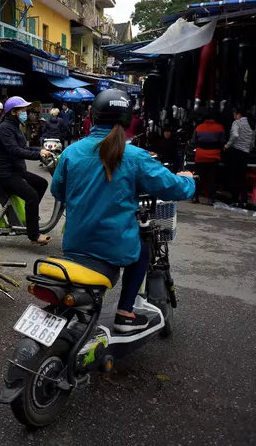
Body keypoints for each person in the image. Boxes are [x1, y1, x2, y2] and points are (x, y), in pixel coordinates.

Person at [51, 89, 195, 332]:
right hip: (113, 247)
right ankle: (125, 312)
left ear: (92, 116)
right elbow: (173, 188)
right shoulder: (135, 156)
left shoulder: (71, 152)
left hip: (74, 243)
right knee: (143, 250)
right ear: (128, 119)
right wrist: (189, 179)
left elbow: (58, 192)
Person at [0, 96, 51, 245]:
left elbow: (24, 148)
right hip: (6, 173)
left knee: (41, 183)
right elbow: (14, 150)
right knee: (31, 195)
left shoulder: (15, 127)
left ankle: (30, 216)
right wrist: (38, 155)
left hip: (17, 170)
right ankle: (34, 235)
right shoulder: (5, 128)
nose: (25, 113)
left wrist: (41, 150)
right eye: (23, 110)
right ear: (14, 112)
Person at [191, 111, 226, 204]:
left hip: (200, 156)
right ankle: (211, 199)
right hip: (213, 157)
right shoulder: (220, 128)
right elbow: (223, 142)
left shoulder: (199, 127)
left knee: (198, 177)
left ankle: (195, 197)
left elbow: (194, 141)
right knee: (212, 178)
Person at [224, 107, 255, 207]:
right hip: (245, 153)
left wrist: (227, 145)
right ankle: (244, 200)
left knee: (233, 177)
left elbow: (235, 135)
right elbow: (252, 143)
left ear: (237, 114)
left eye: (234, 113)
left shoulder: (236, 123)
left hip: (236, 152)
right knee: (242, 177)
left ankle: (235, 200)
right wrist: (247, 150)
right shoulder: (252, 124)